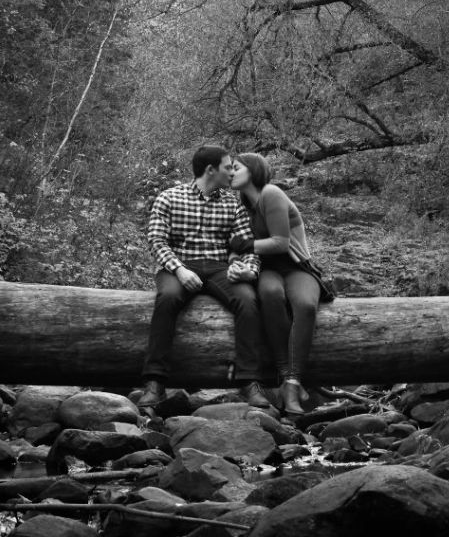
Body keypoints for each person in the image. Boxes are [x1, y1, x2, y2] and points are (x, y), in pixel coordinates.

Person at [138, 144, 271, 410]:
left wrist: (249, 270)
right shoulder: (169, 197)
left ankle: (248, 381)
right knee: (167, 298)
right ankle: (155, 383)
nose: (231, 172)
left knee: (247, 299)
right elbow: (156, 239)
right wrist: (179, 269)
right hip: (180, 264)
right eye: (227, 167)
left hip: (219, 267)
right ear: (210, 170)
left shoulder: (232, 204)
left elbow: (247, 244)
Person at [229, 153, 334, 415]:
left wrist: (244, 246)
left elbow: (280, 243)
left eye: (236, 168)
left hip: (296, 267)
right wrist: (235, 259)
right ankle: (285, 375)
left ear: (253, 171)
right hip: (268, 269)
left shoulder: (271, 193)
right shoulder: (242, 205)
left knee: (306, 306)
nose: (230, 172)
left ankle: (293, 382)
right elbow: (234, 242)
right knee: (270, 295)